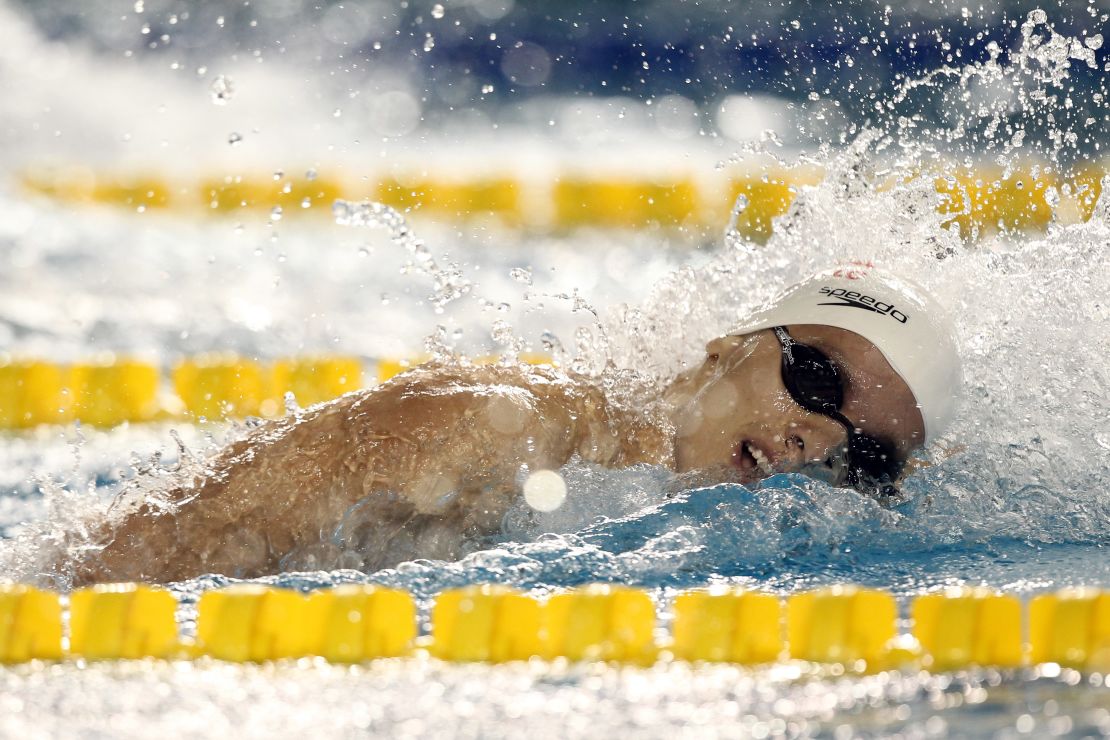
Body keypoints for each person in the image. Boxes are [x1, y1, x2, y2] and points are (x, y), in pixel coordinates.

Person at [66, 264, 959, 586]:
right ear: (727, 347)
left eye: (869, 455)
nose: (821, 439)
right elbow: (151, 557)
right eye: (817, 378)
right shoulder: (494, 427)